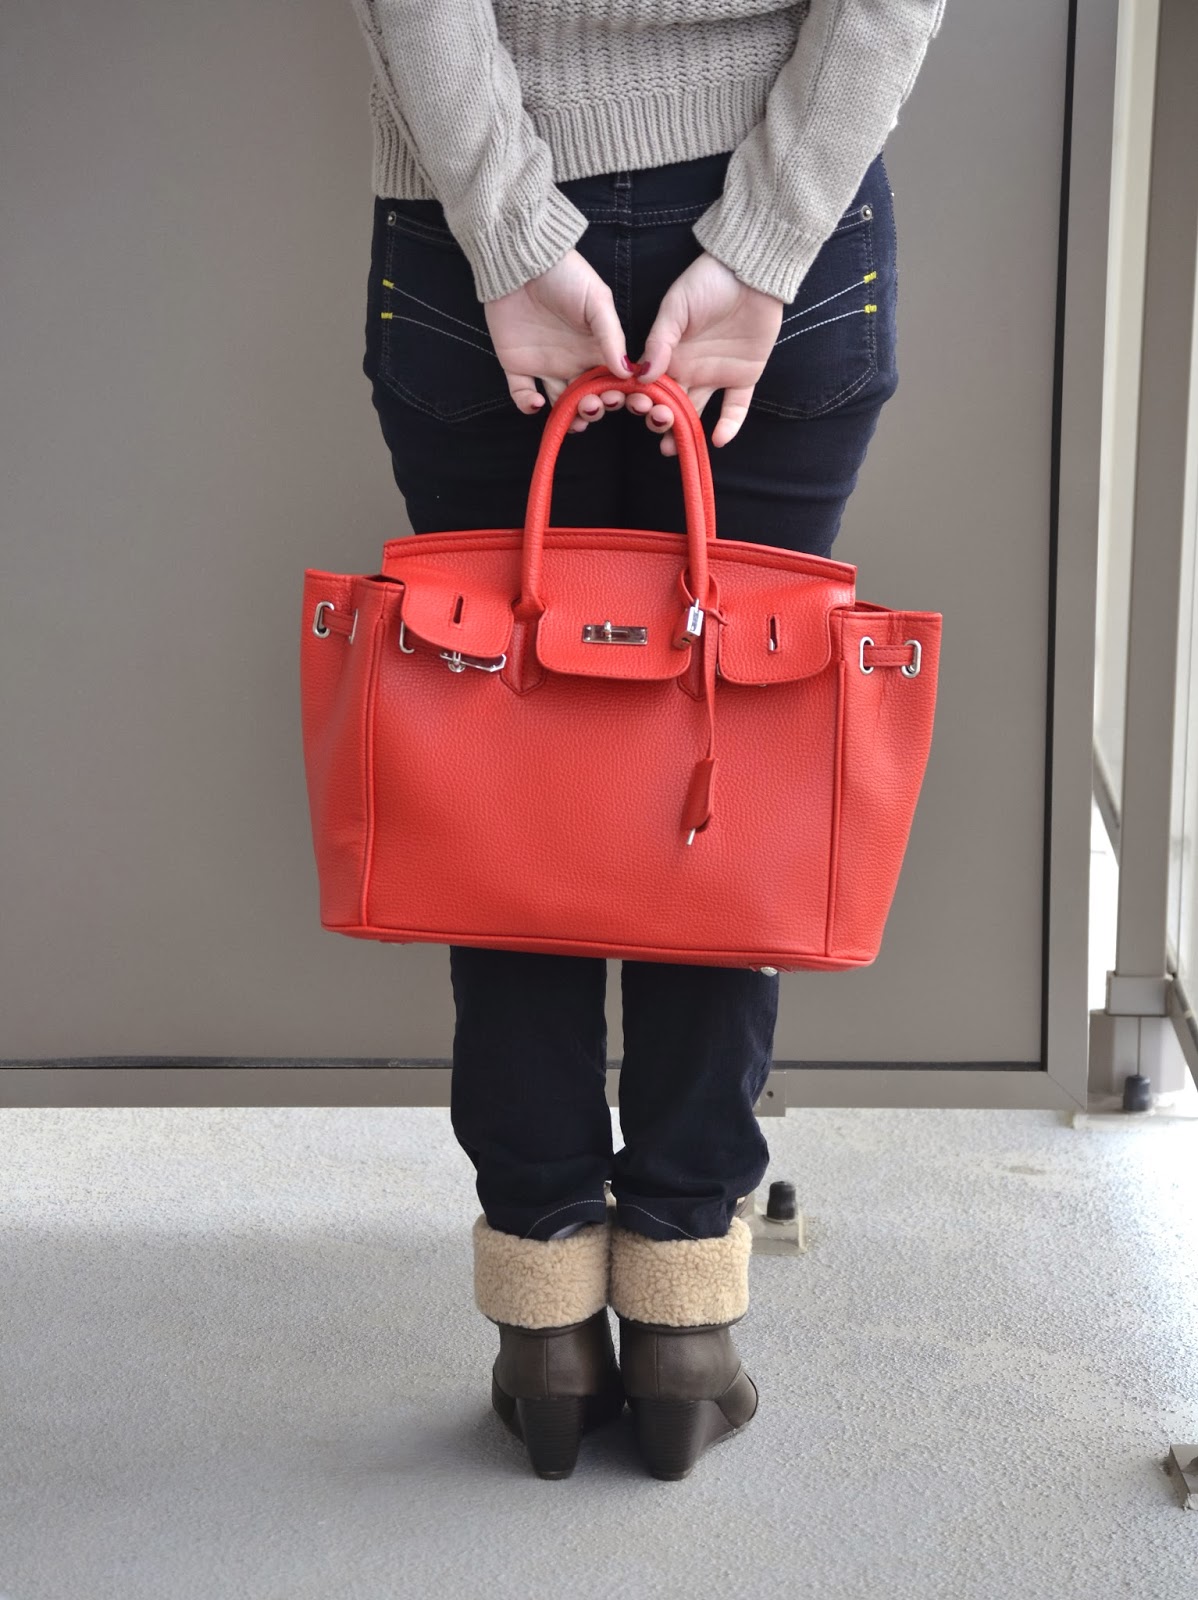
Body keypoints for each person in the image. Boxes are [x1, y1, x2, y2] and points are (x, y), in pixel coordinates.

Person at [347, 0, 945, 1482]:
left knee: (511, 779)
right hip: (776, 218)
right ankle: (684, 1317)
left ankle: (544, 1320)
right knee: (721, 779)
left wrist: (505, 228)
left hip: (467, 212)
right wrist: (764, 243)